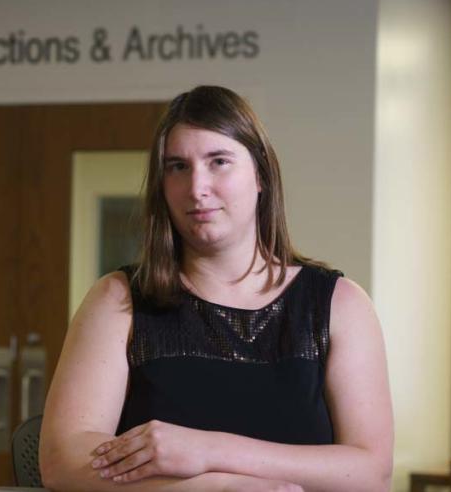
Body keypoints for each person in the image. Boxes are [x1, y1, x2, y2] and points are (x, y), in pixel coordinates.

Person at [39, 86, 393, 491]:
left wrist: (210, 450)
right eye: (178, 167)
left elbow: (372, 473)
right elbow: (62, 460)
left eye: (218, 162)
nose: (197, 187)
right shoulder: (117, 300)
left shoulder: (339, 304)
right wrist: (218, 488)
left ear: (260, 174)